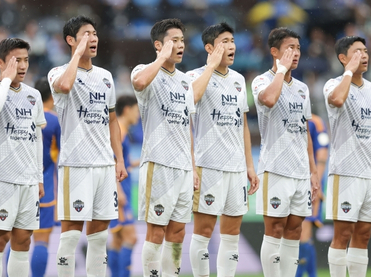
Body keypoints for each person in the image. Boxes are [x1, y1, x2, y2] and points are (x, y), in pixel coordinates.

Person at [48, 15, 127, 277]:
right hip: (76, 163)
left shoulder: (105, 77)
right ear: (71, 40)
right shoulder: (58, 72)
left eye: (94, 33)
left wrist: (119, 160)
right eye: (86, 34)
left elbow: (112, 120)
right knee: (71, 233)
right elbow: (65, 85)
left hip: (104, 165)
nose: (93, 38)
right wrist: (77, 55)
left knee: (99, 236)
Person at [186, 22, 259, 277]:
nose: (232, 46)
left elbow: (243, 127)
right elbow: (191, 100)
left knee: (232, 234)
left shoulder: (239, 80)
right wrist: (210, 67)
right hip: (208, 165)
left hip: (236, 168)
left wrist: (250, 166)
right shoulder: (194, 77)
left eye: (233, 41)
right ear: (209, 47)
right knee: (204, 232)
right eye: (225, 41)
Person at [131, 18, 198, 277]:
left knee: (178, 232)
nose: (180, 45)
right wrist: (161, 58)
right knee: (156, 231)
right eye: (174, 41)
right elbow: (138, 83)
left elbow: (186, 126)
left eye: (182, 40)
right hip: (158, 163)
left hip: (183, 167)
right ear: (158, 45)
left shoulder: (185, 81)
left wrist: (192, 166)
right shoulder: (144, 70)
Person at [323, 36, 371, 277]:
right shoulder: (332, 85)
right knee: (342, 234)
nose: (364, 56)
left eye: (365, 51)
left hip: (370, 174)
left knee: (364, 234)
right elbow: (338, 99)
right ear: (343, 58)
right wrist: (348, 73)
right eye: (357, 52)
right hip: (345, 172)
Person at [252, 27, 319, 277]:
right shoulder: (261, 80)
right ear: (274, 52)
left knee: (294, 231)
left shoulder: (302, 88)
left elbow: (305, 131)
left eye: (298, 48)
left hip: (300, 171)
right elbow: (268, 100)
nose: (296, 53)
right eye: (290, 48)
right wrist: (281, 70)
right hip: (275, 168)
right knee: (275, 229)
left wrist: (312, 170)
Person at [0, 38, 46, 277]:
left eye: (26, 60)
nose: (23, 65)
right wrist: (6, 79)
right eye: (16, 60)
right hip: (2, 179)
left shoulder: (34, 95)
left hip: (28, 181)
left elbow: (36, 138)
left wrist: (39, 178)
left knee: (23, 242)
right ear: (0, 62)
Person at [31, 77, 62, 277]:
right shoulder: (53, 121)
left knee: (18, 239)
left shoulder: (26, 115)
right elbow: (60, 153)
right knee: (42, 239)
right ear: (52, 96)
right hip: (46, 187)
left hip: (22, 183)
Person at [107, 95, 140, 277]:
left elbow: (121, 162)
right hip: (119, 192)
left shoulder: (122, 130)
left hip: (122, 189)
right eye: (136, 111)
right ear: (127, 109)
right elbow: (111, 162)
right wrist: (118, 191)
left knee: (118, 240)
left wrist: (134, 163)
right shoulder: (119, 130)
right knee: (130, 237)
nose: (138, 116)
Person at [296, 115, 329, 277]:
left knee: (304, 231)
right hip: (291, 179)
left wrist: (317, 182)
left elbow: (323, 153)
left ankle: (302, 274)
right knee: (296, 233)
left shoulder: (316, 121)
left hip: (310, 182)